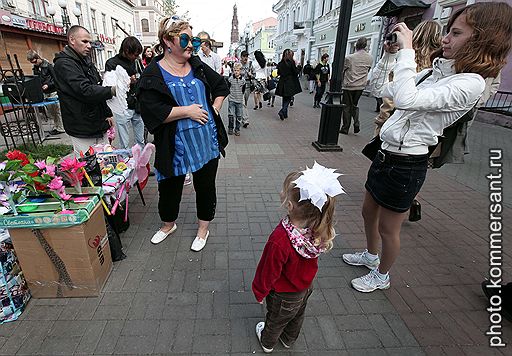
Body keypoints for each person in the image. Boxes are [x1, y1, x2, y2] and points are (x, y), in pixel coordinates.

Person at [342, 2, 512, 293]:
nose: (446, 39)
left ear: (483, 39)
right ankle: (370, 257)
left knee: (388, 227)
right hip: (386, 152)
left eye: (456, 33)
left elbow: (405, 99)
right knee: (368, 211)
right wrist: (393, 58)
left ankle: (382, 275)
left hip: (407, 162)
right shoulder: (438, 71)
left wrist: (408, 52)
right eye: (448, 31)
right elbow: (389, 90)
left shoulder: (470, 83)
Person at [138, 15, 229, 251]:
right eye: (186, 39)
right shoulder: (152, 74)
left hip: (205, 141)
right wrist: (187, 111)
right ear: (168, 41)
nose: (191, 45)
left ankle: (203, 228)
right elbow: (151, 112)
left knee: (205, 186)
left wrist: (215, 109)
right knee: (169, 187)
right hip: (174, 144)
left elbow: (221, 86)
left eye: (194, 40)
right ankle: (168, 224)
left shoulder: (197, 66)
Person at [252, 162, 344, 353]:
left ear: (290, 205)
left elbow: (268, 270)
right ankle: (288, 340)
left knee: (275, 319)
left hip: (283, 293)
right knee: (297, 315)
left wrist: (260, 290)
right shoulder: (317, 230)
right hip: (304, 288)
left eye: (284, 193)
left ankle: (267, 343)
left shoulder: (280, 239)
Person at [53, 25, 116, 156]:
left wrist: (107, 113)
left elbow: (98, 86)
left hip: (98, 124)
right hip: (82, 127)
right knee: (90, 168)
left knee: (106, 164)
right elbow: (85, 90)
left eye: (90, 42)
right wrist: (113, 90)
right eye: (85, 41)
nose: (89, 46)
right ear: (72, 40)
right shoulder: (64, 64)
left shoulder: (86, 61)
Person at [105, 36, 145, 150]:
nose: (136, 57)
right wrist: (127, 81)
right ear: (127, 50)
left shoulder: (136, 62)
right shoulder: (112, 63)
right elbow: (109, 87)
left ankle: (141, 162)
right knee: (124, 143)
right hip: (122, 106)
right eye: (135, 54)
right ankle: (126, 164)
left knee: (140, 140)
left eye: (138, 55)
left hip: (136, 104)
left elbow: (141, 77)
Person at [26, 49, 65, 136]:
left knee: (57, 110)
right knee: (51, 112)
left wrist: (48, 85)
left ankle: (60, 128)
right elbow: (36, 79)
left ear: (38, 58)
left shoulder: (48, 65)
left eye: (35, 61)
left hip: (53, 91)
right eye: (32, 62)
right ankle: (56, 126)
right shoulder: (35, 68)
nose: (34, 63)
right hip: (44, 92)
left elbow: (56, 79)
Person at [339, 37, 373, 134]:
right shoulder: (370, 58)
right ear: (365, 46)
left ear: (356, 46)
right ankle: (356, 123)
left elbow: (342, 71)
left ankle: (345, 128)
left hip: (349, 85)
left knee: (346, 107)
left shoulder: (349, 58)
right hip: (361, 86)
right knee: (354, 105)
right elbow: (368, 70)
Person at [275, 49, 301, 121]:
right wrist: (298, 68)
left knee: (285, 98)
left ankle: (285, 114)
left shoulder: (280, 63)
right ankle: (282, 111)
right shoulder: (291, 62)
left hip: (282, 82)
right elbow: (295, 72)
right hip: (290, 82)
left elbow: (278, 73)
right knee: (289, 98)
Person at [227, 62, 245, 136]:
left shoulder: (243, 80)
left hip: (239, 100)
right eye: (235, 70)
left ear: (240, 71)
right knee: (231, 115)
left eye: (237, 70)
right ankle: (230, 128)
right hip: (231, 99)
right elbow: (228, 87)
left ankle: (237, 129)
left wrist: (240, 95)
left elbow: (243, 90)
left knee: (239, 116)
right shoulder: (230, 79)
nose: (236, 72)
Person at [239, 50, 255, 128]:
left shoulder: (250, 64)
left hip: (248, 85)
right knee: (242, 103)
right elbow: (233, 74)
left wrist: (251, 74)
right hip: (240, 86)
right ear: (241, 57)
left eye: (246, 56)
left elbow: (254, 74)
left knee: (244, 103)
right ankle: (245, 120)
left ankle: (241, 116)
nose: (245, 58)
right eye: (244, 56)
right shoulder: (237, 64)